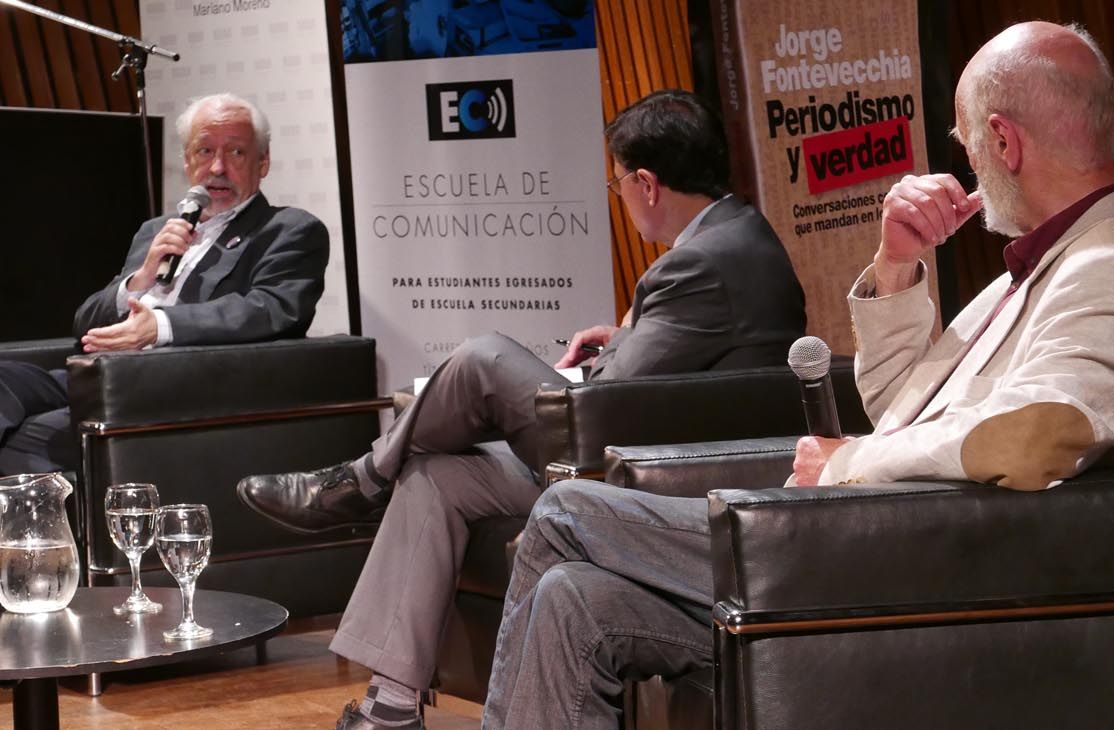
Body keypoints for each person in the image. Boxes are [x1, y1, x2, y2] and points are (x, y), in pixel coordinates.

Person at [480, 21, 1114, 730]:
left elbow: (1031, 434)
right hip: (872, 538)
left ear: (1004, 142)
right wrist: (896, 266)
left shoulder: (1110, 268)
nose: (970, 164)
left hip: (903, 566)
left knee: (567, 511)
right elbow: (899, 405)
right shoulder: (1063, 252)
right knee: (574, 597)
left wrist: (848, 462)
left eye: (968, 145)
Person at [234, 89, 806, 729]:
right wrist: (625, 338)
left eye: (616, 182)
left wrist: (610, 359)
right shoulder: (736, 237)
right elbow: (694, 365)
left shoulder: (702, 260)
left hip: (645, 473)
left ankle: (359, 480)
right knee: (436, 477)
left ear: (647, 183)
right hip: (651, 445)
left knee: (481, 359)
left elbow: (610, 402)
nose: (616, 195)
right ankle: (390, 709)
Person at [0, 93, 328, 476]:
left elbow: (272, 309)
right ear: (187, 161)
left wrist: (159, 327)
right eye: (204, 151)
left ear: (263, 162)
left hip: (176, 385)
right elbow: (84, 324)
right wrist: (139, 280)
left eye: (235, 153)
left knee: (36, 437)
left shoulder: (288, 229)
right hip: (99, 375)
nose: (217, 167)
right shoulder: (155, 231)